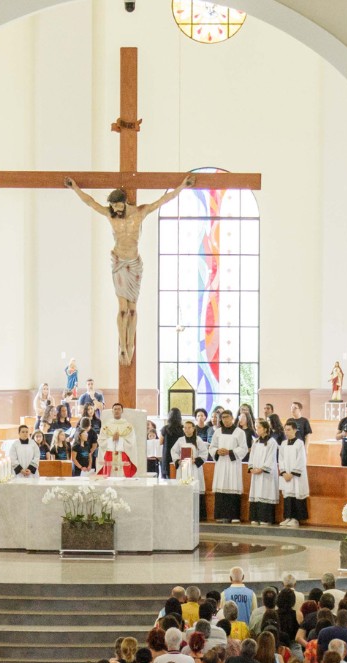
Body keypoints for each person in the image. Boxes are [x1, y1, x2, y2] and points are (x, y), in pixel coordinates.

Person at [63, 174, 194, 366]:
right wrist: (75, 188)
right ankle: (121, 346)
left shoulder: (140, 213)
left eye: (117, 206)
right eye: (113, 207)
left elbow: (163, 200)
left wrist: (182, 186)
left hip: (134, 264)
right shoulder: (110, 215)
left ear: (124, 202)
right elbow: (90, 202)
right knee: (123, 309)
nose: (115, 210)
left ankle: (130, 345)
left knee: (133, 310)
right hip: (118, 262)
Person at [210, 411, 249, 523]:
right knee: (221, 486)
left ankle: (234, 515)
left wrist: (230, 452)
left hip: (233, 464)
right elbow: (212, 447)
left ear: (232, 418)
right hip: (221, 464)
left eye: (227, 417)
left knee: (233, 485)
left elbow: (244, 448)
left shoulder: (239, 432)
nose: (225, 420)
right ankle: (221, 515)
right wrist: (217, 451)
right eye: (223, 418)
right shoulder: (217, 432)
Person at [246, 420, 280, 526]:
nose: (257, 430)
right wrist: (251, 467)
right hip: (256, 473)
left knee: (266, 492)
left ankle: (266, 518)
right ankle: (255, 517)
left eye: (259, 427)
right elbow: (251, 456)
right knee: (256, 493)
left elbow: (271, 458)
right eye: (256, 428)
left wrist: (262, 469)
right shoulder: (255, 442)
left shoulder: (272, 442)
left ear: (265, 429)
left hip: (266, 474)